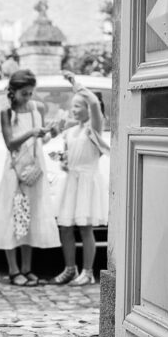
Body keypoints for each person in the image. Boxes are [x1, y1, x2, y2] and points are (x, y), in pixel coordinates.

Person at [0, 69, 61, 285]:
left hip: (35, 170)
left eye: (30, 93)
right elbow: (10, 144)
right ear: (14, 92)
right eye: (24, 93)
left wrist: (51, 133)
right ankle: (13, 269)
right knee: (13, 216)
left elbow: (40, 141)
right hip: (15, 172)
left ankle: (27, 268)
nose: (28, 97)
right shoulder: (7, 114)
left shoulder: (37, 108)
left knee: (29, 217)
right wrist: (31, 132)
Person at [48, 72, 109, 286]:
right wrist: (62, 162)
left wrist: (76, 83)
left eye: (78, 106)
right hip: (71, 181)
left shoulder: (95, 128)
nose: (74, 110)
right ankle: (69, 268)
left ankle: (88, 271)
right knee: (65, 226)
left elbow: (93, 101)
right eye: (73, 106)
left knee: (85, 227)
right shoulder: (71, 131)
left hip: (86, 181)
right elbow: (67, 157)